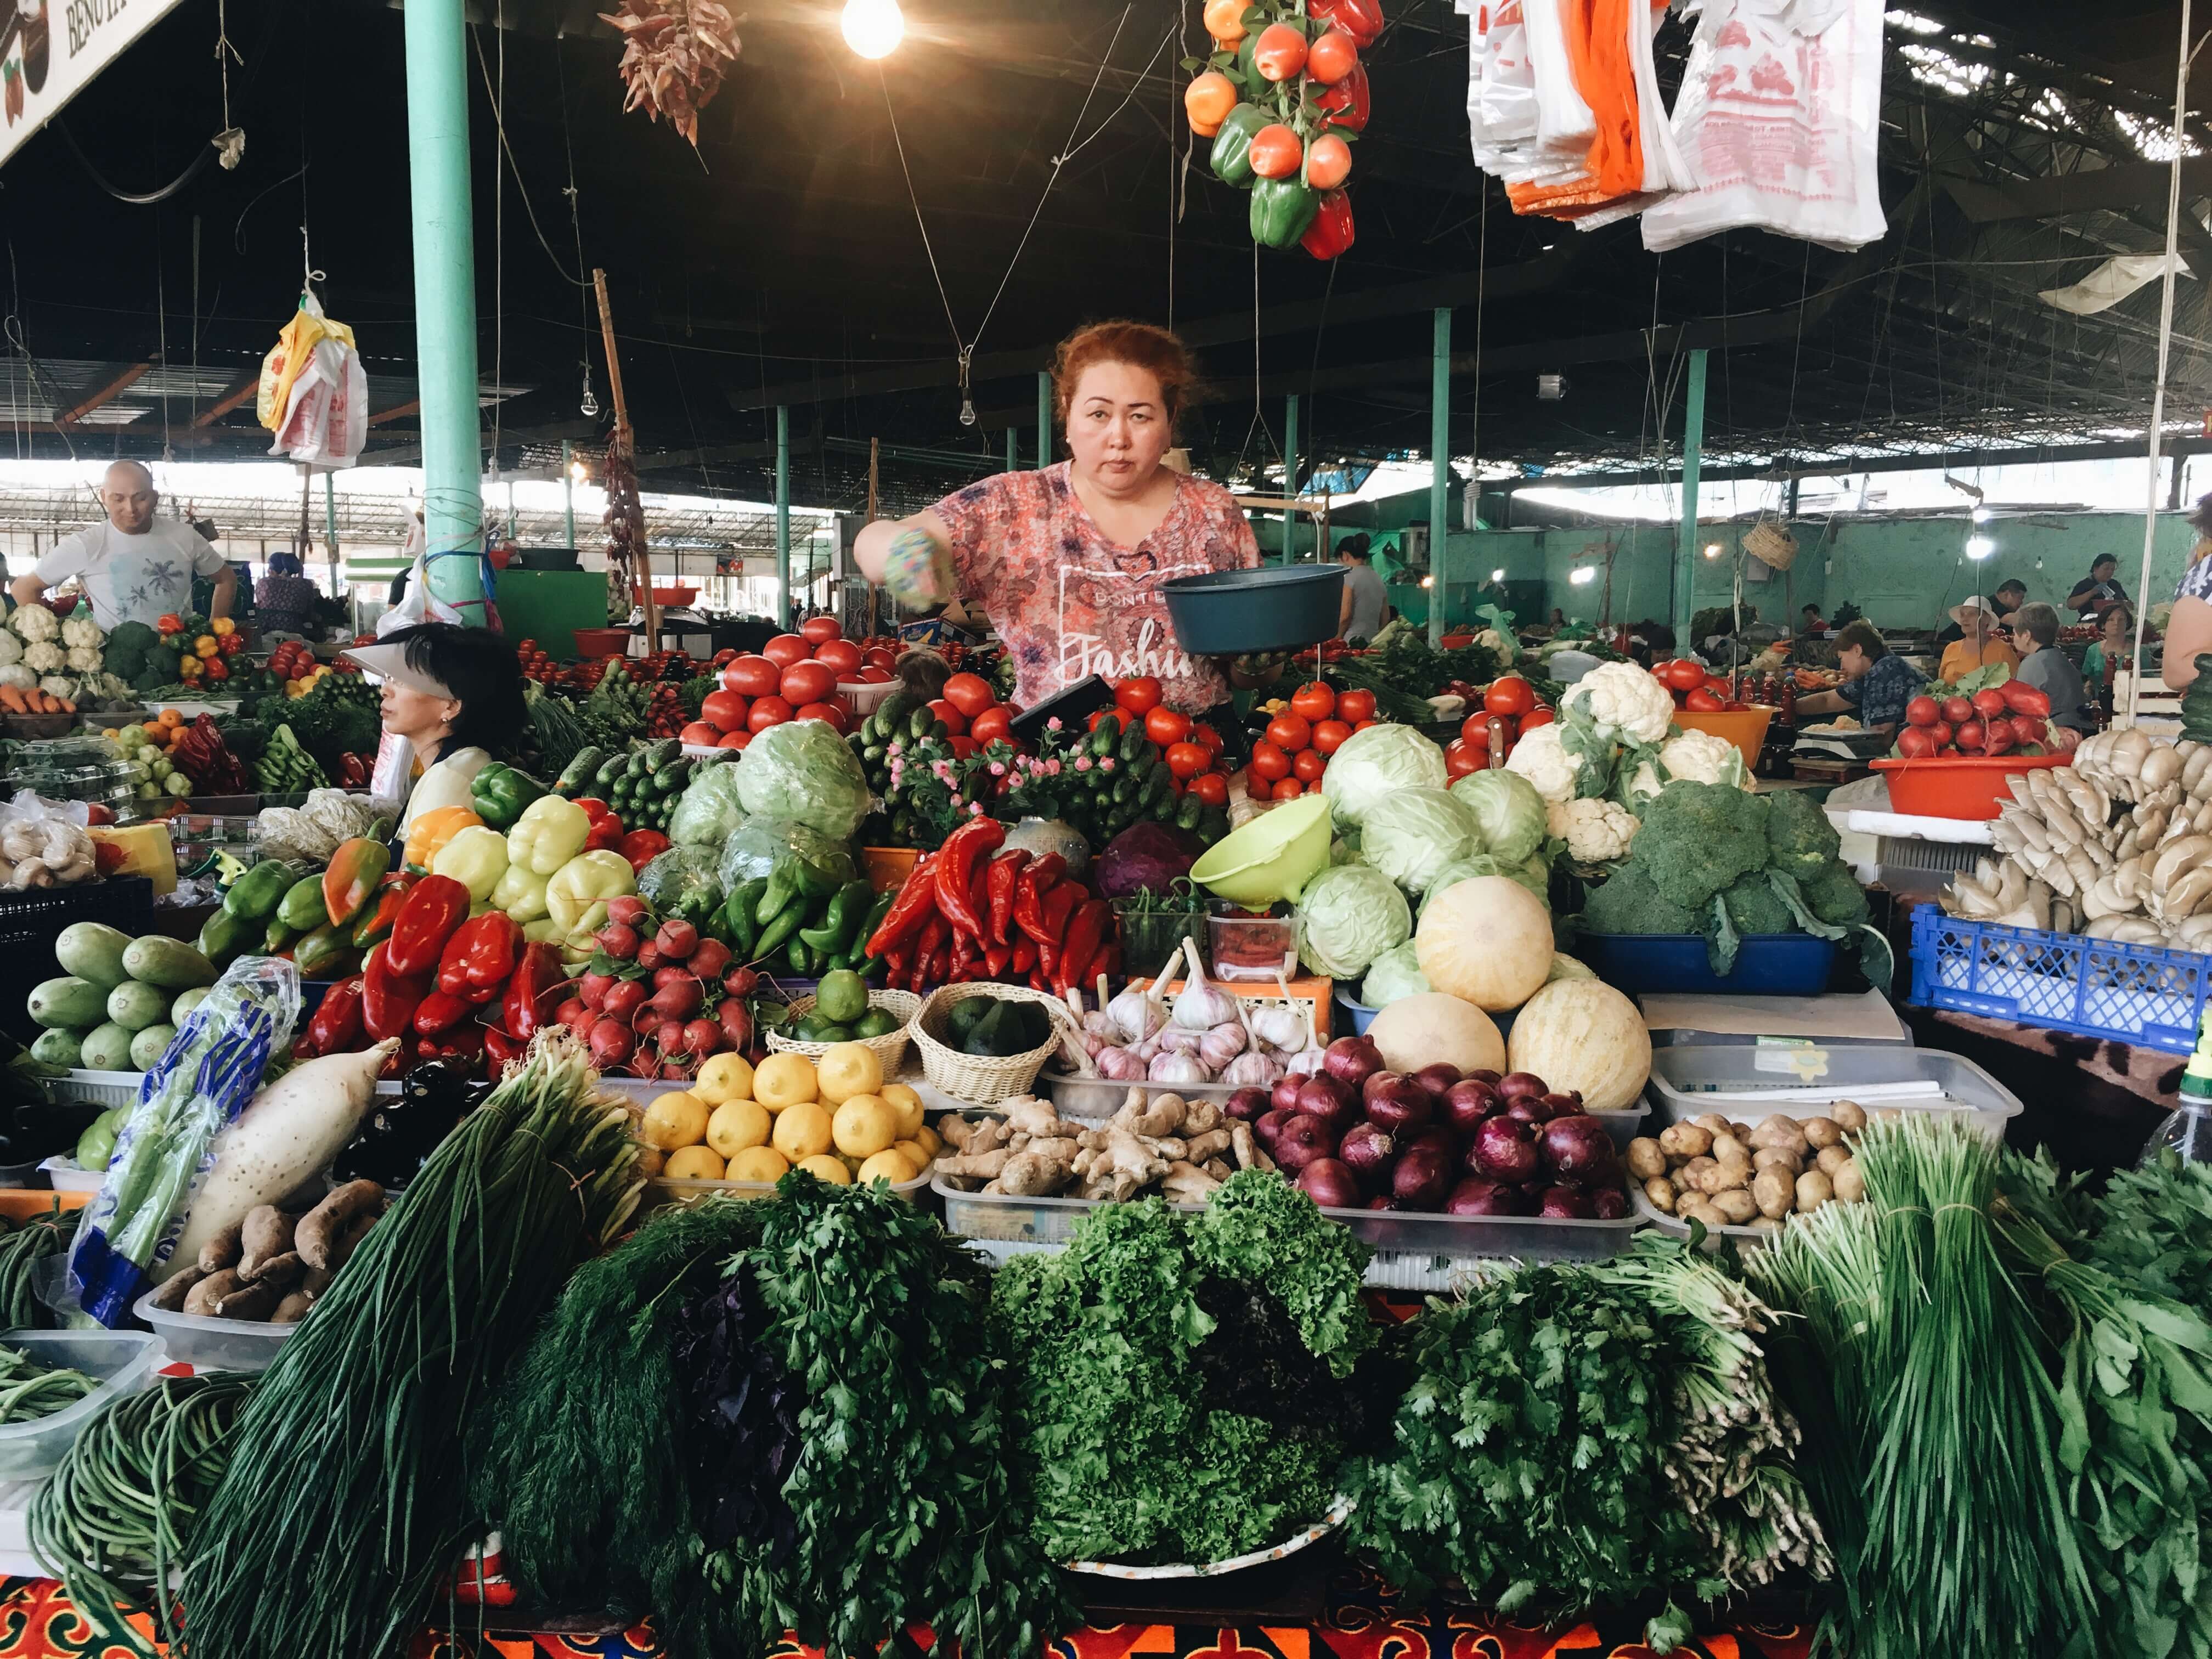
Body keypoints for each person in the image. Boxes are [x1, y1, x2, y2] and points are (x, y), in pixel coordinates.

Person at [853, 320, 1261, 719]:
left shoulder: (1214, 512)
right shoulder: (1014, 505)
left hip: (1198, 756)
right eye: (1099, 414)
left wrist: (1260, 656)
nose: (1118, 437)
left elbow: (1244, 675)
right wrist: (901, 550)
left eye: (1140, 416)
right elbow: (873, 543)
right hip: (1057, 763)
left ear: (1170, 422)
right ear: (1068, 416)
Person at [340, 623, 527, 833]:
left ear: (451, 706)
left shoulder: (451, 779)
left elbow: (413, 866)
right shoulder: (456, 764)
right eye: (388, 678)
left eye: (401, 681)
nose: (385, 690)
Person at [10, 460, 235, 631]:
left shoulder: (185, 536)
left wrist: (217, 631)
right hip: (113, 671)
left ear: (155, 498)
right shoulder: (85, 545)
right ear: (103, 497)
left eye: (141, 498)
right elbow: (23, 588)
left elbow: (226, 579)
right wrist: (52, 640)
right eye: (118, 499)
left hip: (182, 662)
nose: (131, 508)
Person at [1792, 620, 1922, 736]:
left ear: (1857, 650)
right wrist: (1787, 707)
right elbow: (1827, 701)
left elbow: (1882, 733)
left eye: (1841, 658)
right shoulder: (1871, 676)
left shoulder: (1886, 669)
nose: (1842, 666)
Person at [2010, 603, 2094, 732]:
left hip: (2057, 732)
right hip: (2078, 727)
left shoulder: (2032, 664)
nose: (2013, 638)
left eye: (2015, 633)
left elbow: (2020, 709)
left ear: (2026, 636)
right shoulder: (2059, 657)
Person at [1938, 596, 2019, 684]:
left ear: (1987, 619)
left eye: (1972, 614)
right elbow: (1941, 685)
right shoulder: (1951, 649)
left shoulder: (2003, 650)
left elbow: (2016, 685)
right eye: (1962, 615)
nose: (1965, 619)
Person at [1935, 578, 2025, 647]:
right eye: (2020, 598)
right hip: (1947, 644)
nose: (2021, 602)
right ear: (2007, 594)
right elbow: (2011, 620)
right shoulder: (1992, 606)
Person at [1337, 534, 1386, 642]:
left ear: (1345, 555)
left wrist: (1337, 639)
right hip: (1373, 642)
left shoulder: (1349, 578)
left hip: (1351, 642)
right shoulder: (1378, 578)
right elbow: (1385, 618)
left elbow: (1346, 616)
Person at [2083, 602, 2138, 686]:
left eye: (2121, 619)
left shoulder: (2139, 651)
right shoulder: (2093, 650)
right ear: (2103, 625)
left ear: (2127, 623)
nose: (2116, 623)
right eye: (2110, 619)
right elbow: (2087, 678)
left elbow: (2147, 681)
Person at [2069, 555, 2129, 621]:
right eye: (2106, 569)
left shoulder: (2115, 584)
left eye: (2112, 570)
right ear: (2096, 568)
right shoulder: (2084, 585)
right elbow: (2071, 605)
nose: (2110, 572)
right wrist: (2092, 592)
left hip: (2113, 623)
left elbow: (2128, 604)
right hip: (2090, 624)